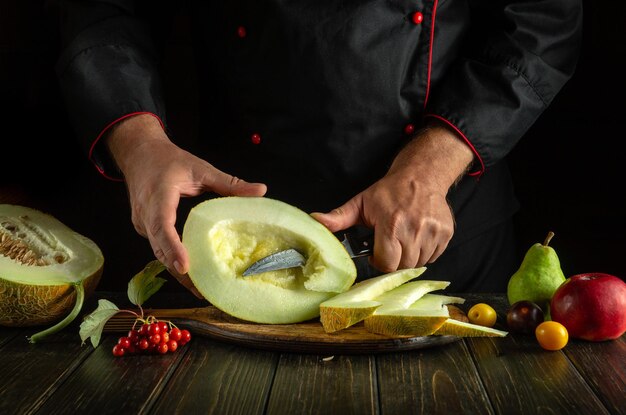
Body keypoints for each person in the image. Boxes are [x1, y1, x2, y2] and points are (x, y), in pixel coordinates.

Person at [53, 0, 583, 294]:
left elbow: (544, 20)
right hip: (234, 227)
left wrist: (433, 164)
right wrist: (141, 144)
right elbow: (104, 9)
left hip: (436, 227)